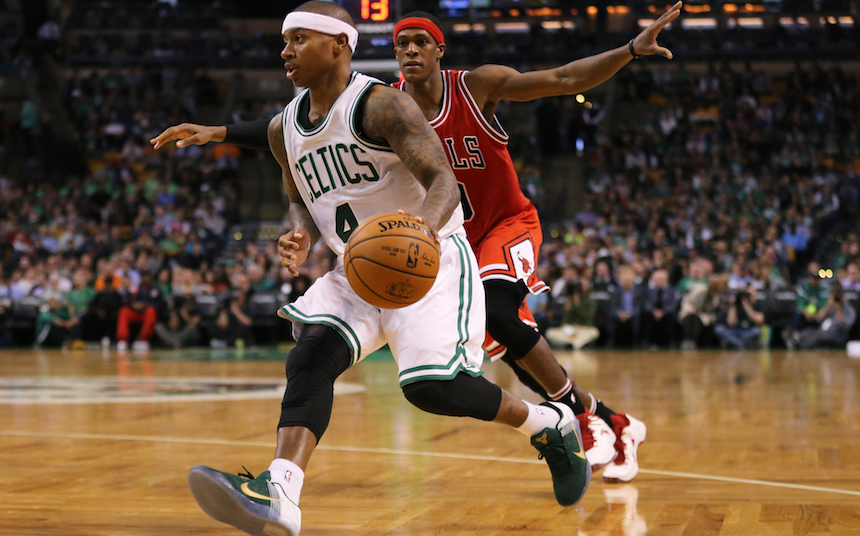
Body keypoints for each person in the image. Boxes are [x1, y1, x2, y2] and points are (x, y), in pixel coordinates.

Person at [151, 3, 683, 482]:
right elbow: (287, 131)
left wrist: (630, 49)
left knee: (497, 310)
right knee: (486, 347)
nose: (409, 51)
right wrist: (220, 132)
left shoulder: (469, 87)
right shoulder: (383, 104)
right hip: (414, 241)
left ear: (439, 50)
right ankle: (595, 415)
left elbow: (565, 78)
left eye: (420, 42)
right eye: (401, 44)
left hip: (497, 225)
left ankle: (580, 417)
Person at [783, 281, 856, 350]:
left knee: (818, 336)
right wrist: (828, 305)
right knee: (810, 331)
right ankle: (796, 337)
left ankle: (797, 344)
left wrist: (838, 309)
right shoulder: (831, 307)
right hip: (824, 331)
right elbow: (819, 318)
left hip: (838, 335)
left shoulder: (849, 309)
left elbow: (843, 327)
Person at [714, 285, 765, 350]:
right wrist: (733, 305)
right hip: (734, 331)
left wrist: (746, 305)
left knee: (757, 331)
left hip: (747, 331)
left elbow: (758, 320)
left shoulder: (757, 305)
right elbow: (731, 323)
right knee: (719, 329)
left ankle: (737, 345)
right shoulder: (734, 306)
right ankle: (740, 345)